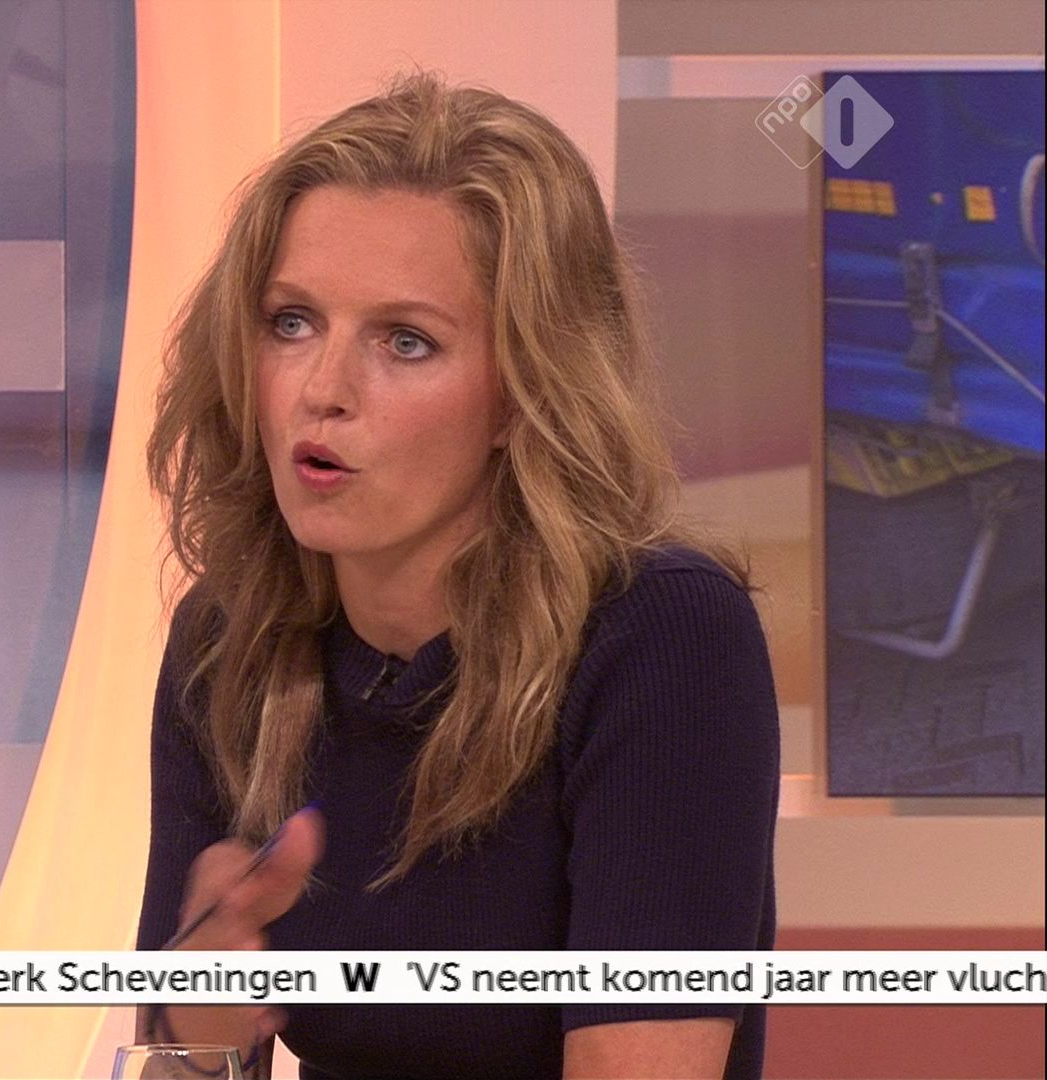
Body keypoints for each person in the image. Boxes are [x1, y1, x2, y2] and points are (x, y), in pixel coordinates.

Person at [134, 71, 781, 1079]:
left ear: (525, 392)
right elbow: (184, 1059)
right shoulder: (231, 642)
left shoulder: (662, 639)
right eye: (292, 322)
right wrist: (201, 1027)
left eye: (406, 342)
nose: (322, 390)